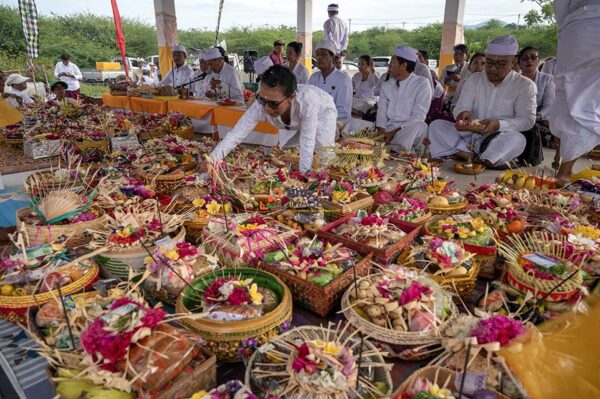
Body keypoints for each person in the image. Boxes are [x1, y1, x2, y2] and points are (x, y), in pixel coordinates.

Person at [428, 35, 537, 168]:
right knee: (436, 126)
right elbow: (461, 107)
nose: (492, 68)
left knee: (518, 140)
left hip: (498, 137)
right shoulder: (474, 79)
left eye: (500, 64)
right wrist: (462, 113)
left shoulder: (524, 85)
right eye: (489, 63)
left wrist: (498, 124)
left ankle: (468, 154)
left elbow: (527, 120)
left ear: (513, 61)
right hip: (469, 134)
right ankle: (475, 157)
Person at [211, 65, 336, 173]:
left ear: (291, 97)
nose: (267, 108)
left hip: (323, 112)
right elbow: (236, 134)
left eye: (273, 103)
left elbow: (307, 141)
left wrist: (304, 176)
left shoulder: (308, 102)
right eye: (262, 99)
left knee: (324, 153)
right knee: (289, 152)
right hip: (294, 121)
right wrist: (212, 161)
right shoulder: (261, 105)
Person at [550, 0, 600, 185]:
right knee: (590, 102)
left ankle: (564, 171)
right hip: (579, 25)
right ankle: (564, 170)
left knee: (567, 95)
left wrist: (566, 28)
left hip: (577, 28)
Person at [376, 46, 432, 154]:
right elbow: (381, 111)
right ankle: (390, 146)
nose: (389, 65)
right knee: (356, 124)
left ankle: (393, 148)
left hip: (407, 129)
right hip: (388, 129)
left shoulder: (422, 84)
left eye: (393, 61)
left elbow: (418, 116)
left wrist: (394, 132)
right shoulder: (387, 85)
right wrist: (382, 132)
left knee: (420, 126)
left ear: (404, 65)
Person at [518, 46, 555, 147]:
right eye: (524, 59)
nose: (529, 61)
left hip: (540, 117)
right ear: (519, 63)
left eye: (533, 57)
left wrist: (538, 116)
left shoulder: (548, 79)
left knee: (549, 124)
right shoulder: (514, 80)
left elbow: (549, 105)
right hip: (519, 116)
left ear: (538, 61)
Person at [309, 40, 352, 122]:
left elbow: (343, 111)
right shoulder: (313, 78)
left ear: (332, 58)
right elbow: (310, 104)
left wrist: (326, 123)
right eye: (317, 54)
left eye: (324, 54)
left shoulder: (344, 79)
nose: (319, 57)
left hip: (337, 124)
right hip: (315, 123)